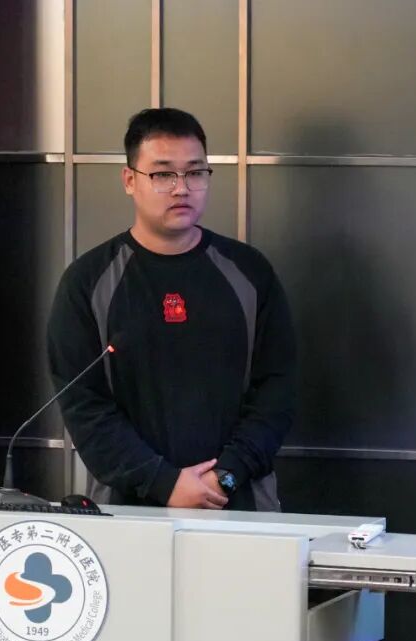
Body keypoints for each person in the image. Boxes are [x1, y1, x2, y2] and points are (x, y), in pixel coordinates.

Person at [46, 107, 296, 511]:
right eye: (163, 175)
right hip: (127, 508)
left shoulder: (249, 272)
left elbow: (277, 390)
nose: (182, 188)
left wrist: (225, 477)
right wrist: (164, 483)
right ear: (130, 180)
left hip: (239, 501)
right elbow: (84, 406)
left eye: (195, 173)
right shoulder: (87, 281)